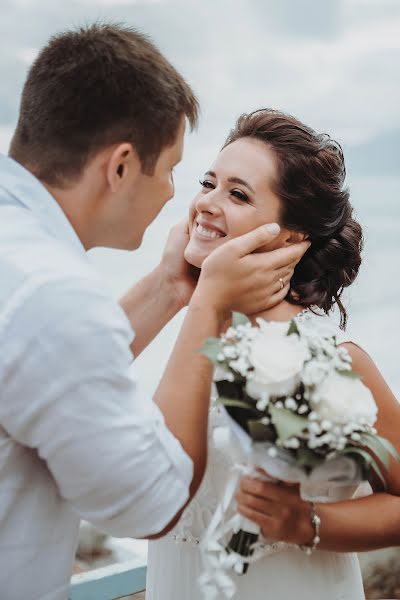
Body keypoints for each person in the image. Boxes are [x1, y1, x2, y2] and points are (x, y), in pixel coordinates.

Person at [0, 26, 308, 600]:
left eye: (236, 193)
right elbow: (152, 499)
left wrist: (172, 288)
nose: (178, 196)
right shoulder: (52, 292)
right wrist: (208, 306)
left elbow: (43, 368)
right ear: (119, 167)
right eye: (175, 170)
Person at [146, 108, 400, 600]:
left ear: (290, 237)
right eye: (208, 182)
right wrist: (185, 295)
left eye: (238, 194)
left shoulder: (331, 357)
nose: (206, 204)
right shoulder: (190, 340)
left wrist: (306, 521)